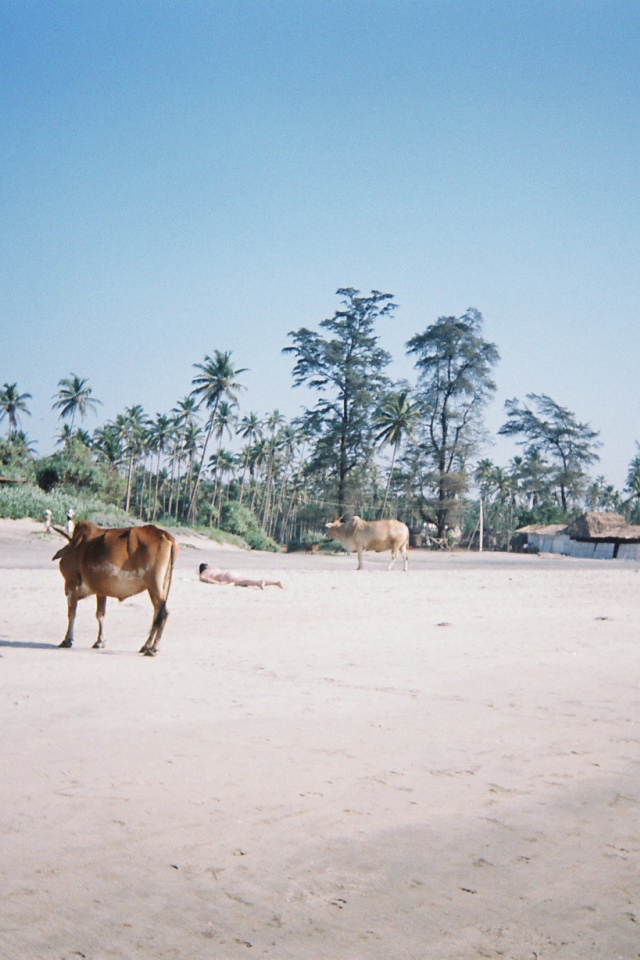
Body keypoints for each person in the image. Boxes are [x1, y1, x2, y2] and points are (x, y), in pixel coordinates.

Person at [198, 563, 283, 590]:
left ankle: (258, 583)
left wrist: (218, 583)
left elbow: (207, 580)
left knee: (242, 581)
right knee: (246, 580)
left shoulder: (204, 573)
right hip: (229, 572)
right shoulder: (214, 568)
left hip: (225, 576)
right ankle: (275, 583)